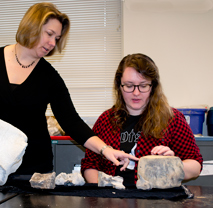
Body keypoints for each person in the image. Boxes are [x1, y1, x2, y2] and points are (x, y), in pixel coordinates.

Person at [0, 2, 138, 181]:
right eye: (49, 34)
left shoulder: (50, 77)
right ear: (32, 25)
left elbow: (71, 122)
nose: (52, 43)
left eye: (56, 38)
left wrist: (106, 150)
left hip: (33, 172)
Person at [81, 53, 203, 187]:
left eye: (143, 86)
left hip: (156, 201)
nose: (136, 93)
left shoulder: (172, 119)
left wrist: (171, 165)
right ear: (119, 86)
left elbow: (196, 166)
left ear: (153, 87)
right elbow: (89, 164)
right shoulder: (106, 120)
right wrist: (100, 191)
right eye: (129, 85)